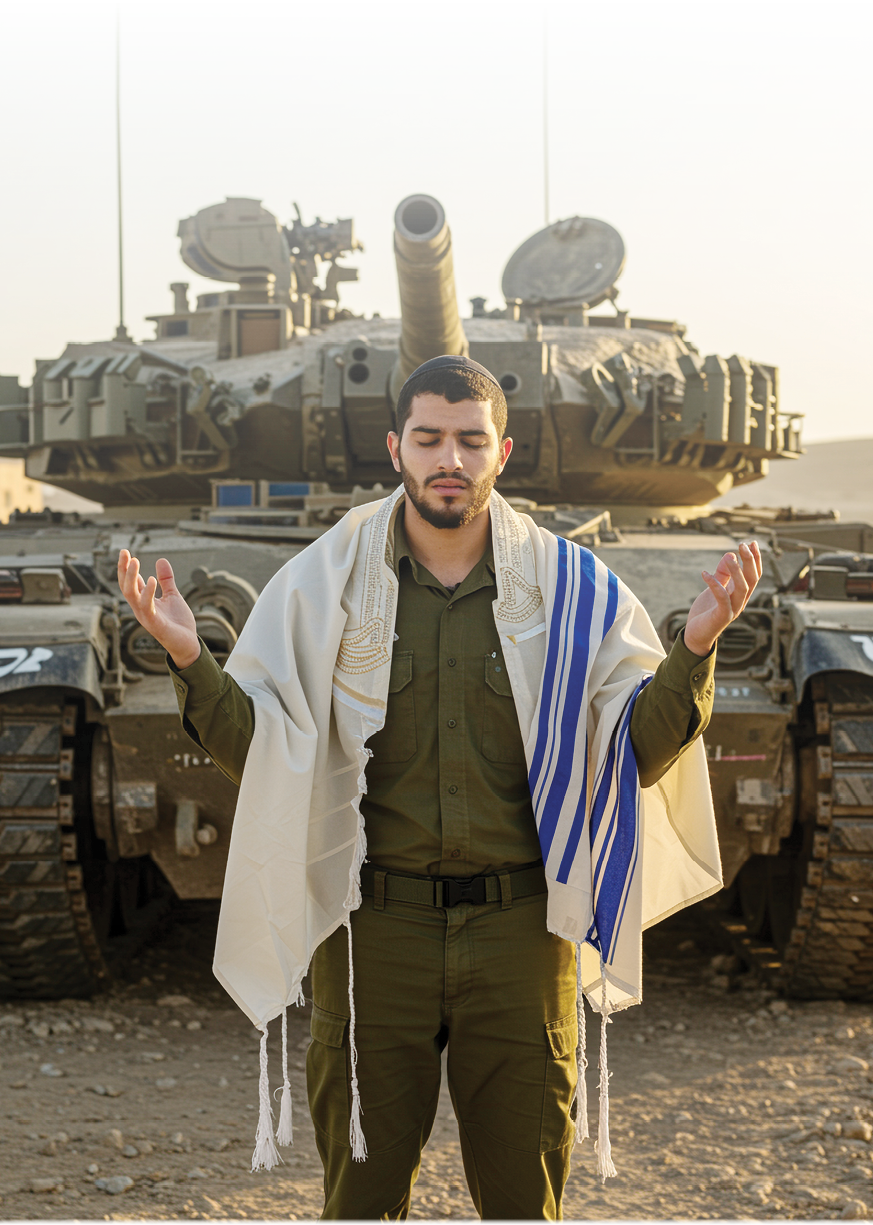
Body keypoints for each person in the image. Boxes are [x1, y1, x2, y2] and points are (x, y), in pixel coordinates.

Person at [118, 355, 761, 1225]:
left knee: (524, 1202)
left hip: (521, 938)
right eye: (427, 438)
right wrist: (192, 657)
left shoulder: (574, 593)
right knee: (361, 1202)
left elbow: (633, 757)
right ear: (395, 447)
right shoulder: (321, 586)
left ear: (504, 450)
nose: (446, 459)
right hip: (373, 935)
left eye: (468, 440)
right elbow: (264, 754)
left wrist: (693, 648)